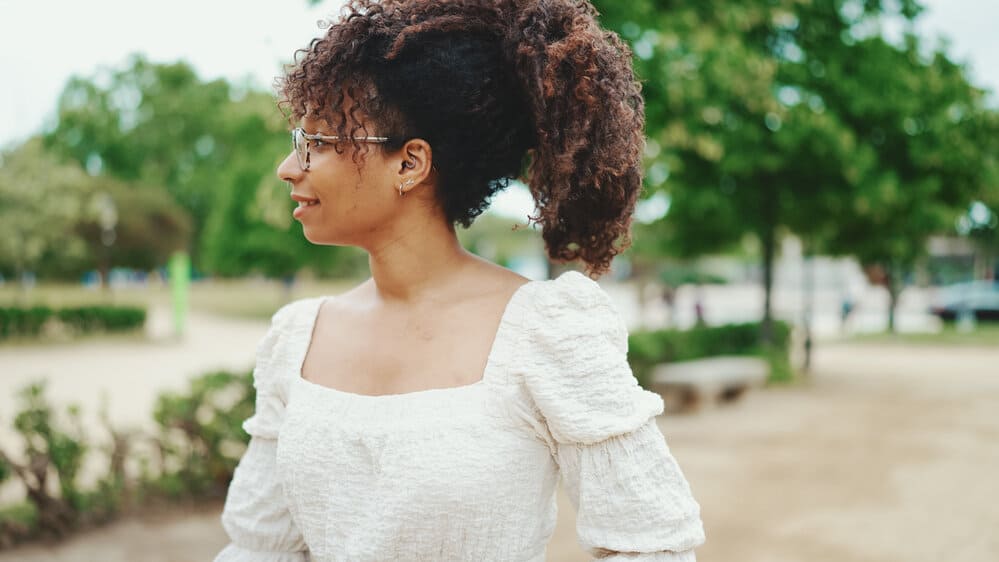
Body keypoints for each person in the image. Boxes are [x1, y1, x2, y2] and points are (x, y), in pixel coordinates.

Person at [215, 1, 704, 560]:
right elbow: (259, 548)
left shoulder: (547, 332)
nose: (287, 167)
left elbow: (652, 545)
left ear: (409, 163)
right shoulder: (296, 338)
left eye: (318, 142)